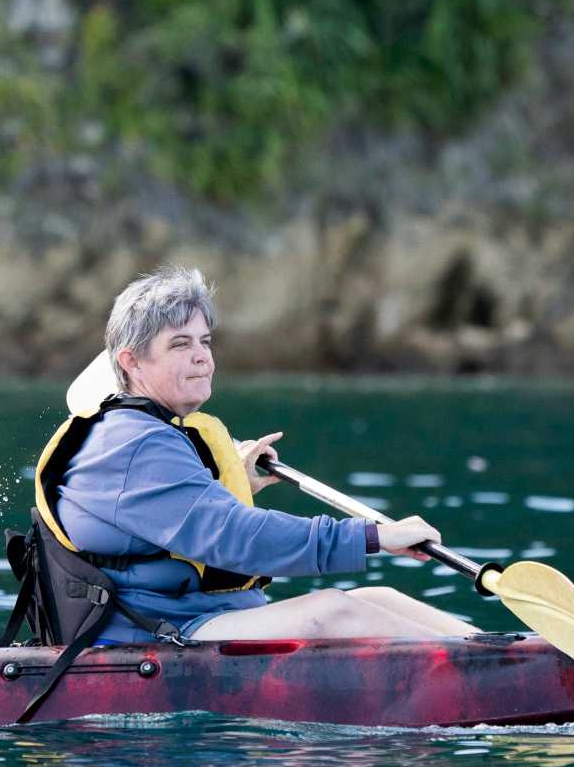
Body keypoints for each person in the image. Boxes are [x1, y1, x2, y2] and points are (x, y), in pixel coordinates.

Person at [33, 266, 481, 644]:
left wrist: (235, 485)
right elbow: (235, 539)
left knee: (377, 599)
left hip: (193, 616)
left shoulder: (147, 432)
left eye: (204, 341)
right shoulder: (132, 444)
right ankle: (498, 674)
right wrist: (373, 537)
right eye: (180, 344)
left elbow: (175, 523)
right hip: (160, 633)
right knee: (333, 612)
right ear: (130, 363)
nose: (202, 359)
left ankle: (504, 651)